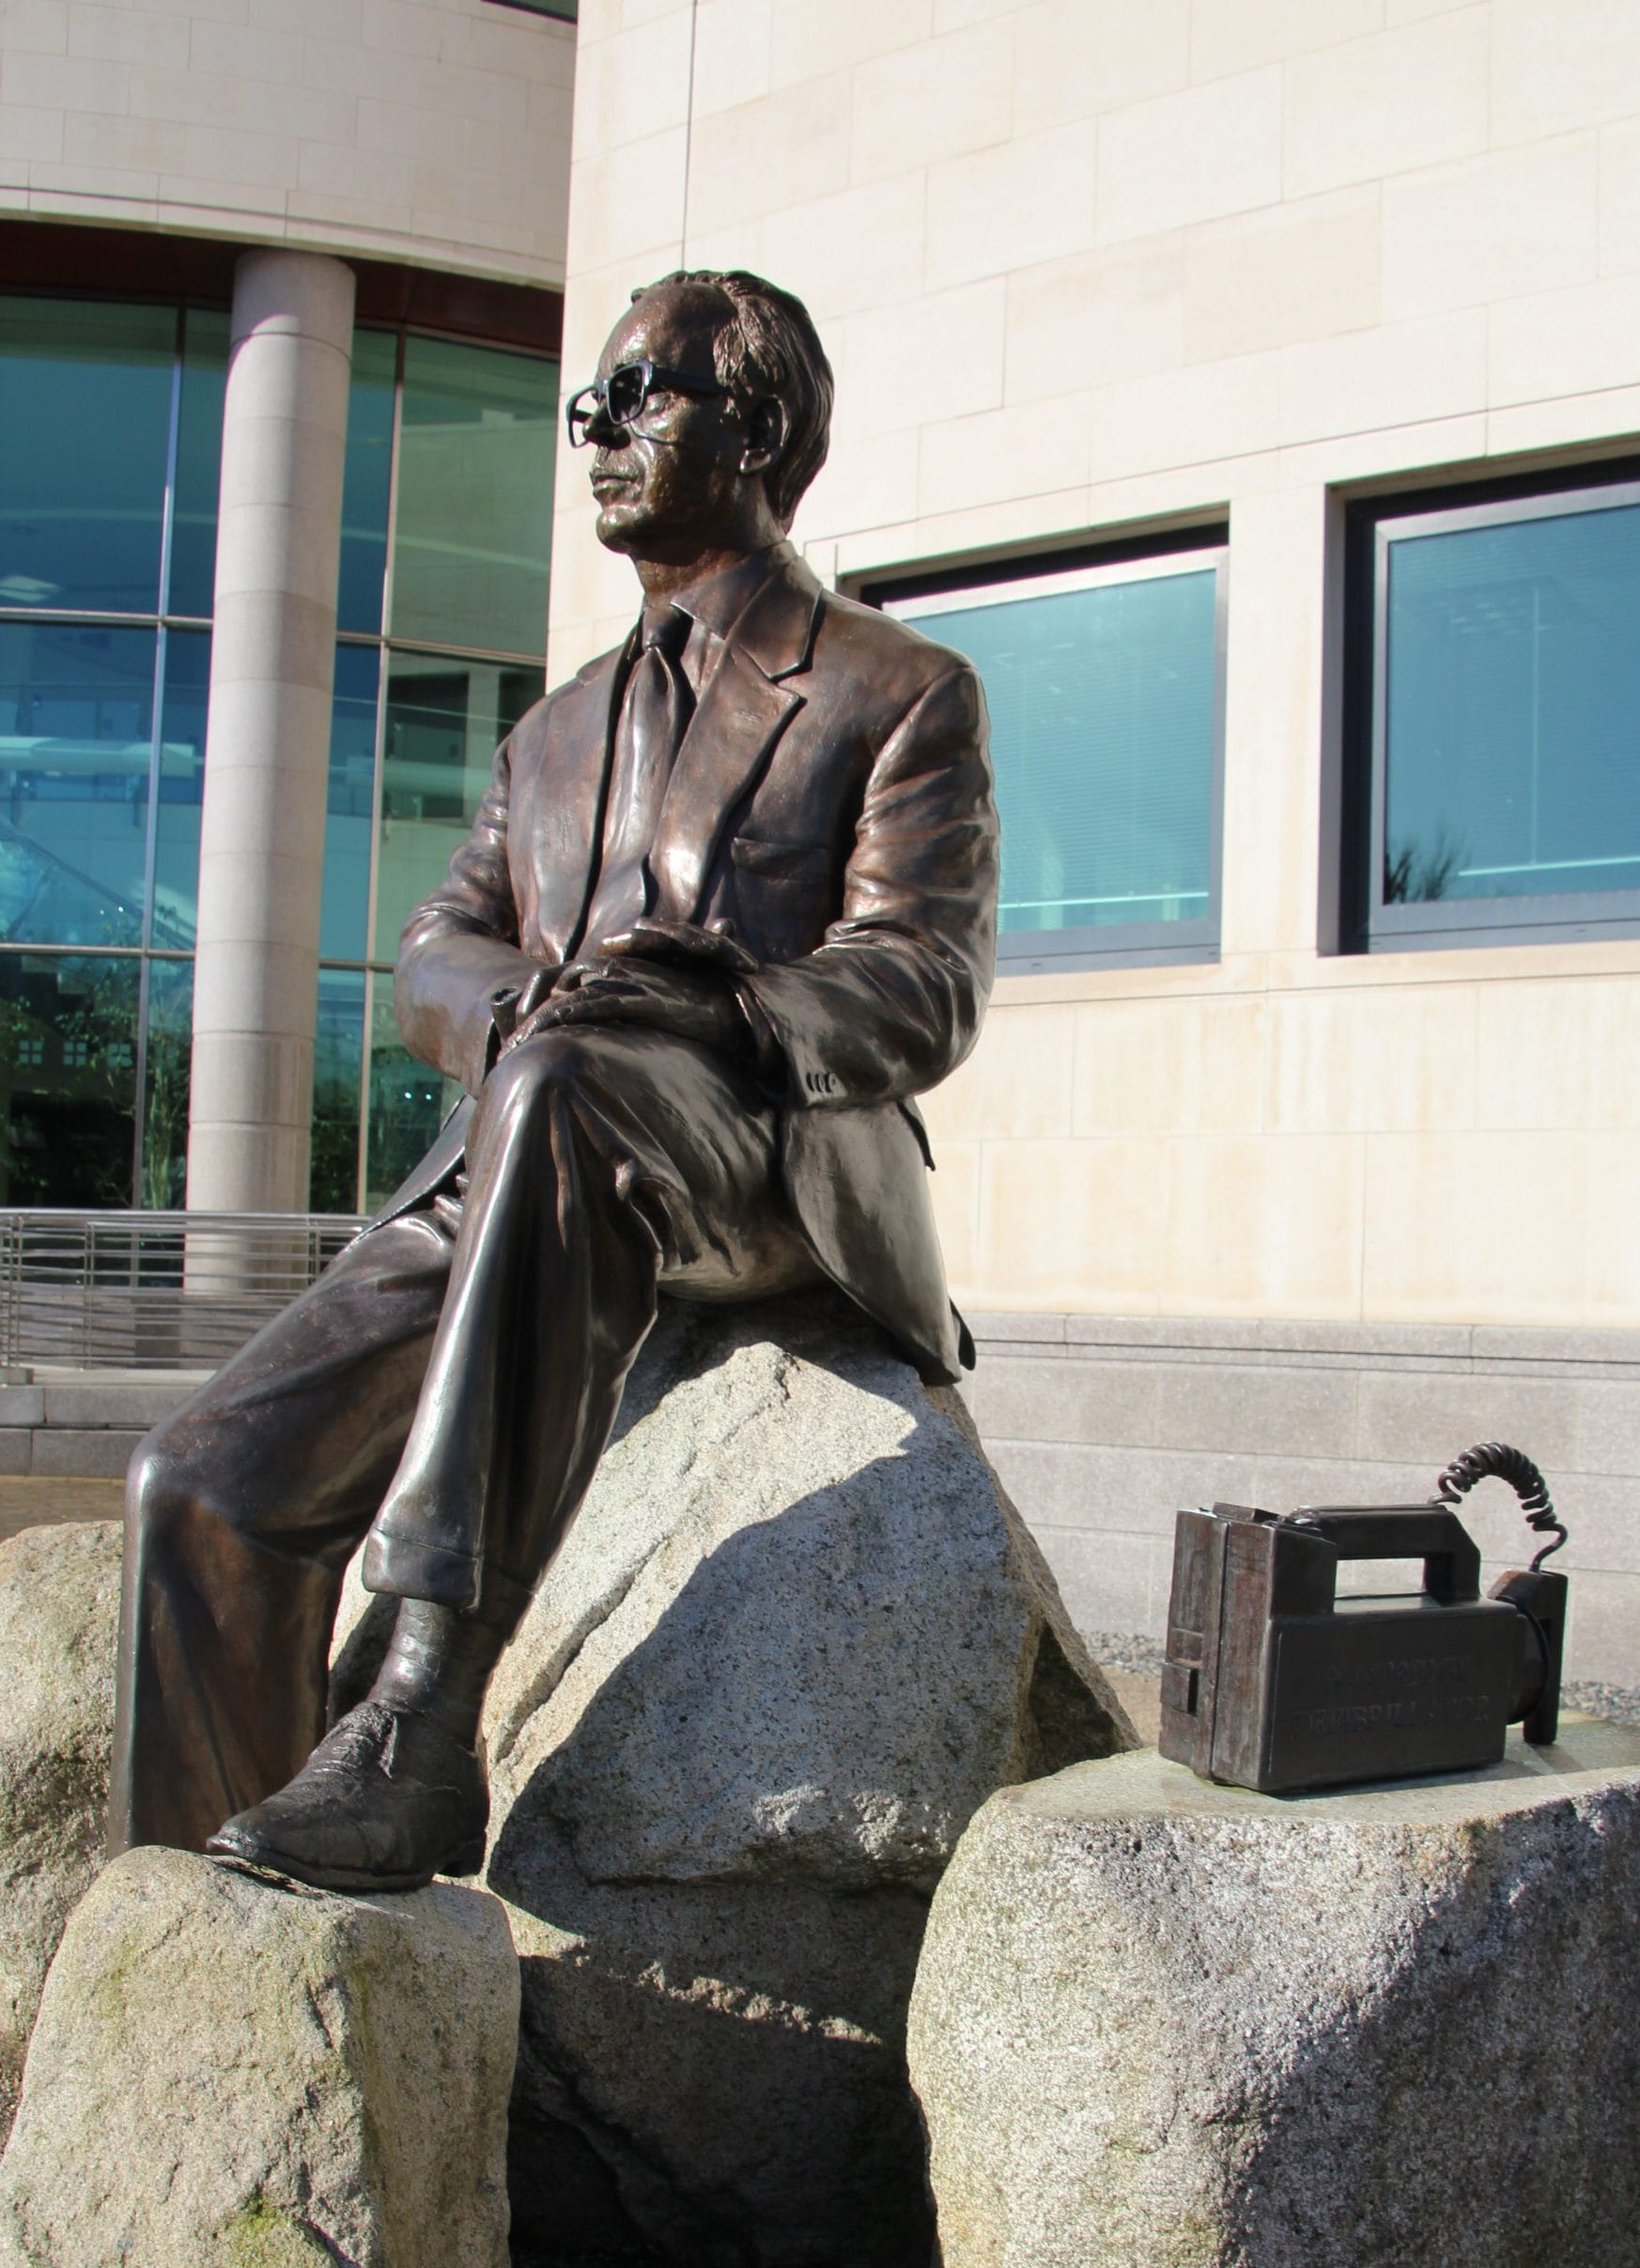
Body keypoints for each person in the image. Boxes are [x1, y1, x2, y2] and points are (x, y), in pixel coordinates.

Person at [109, 268, 998, 1894]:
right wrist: (526, 997)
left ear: (760, 428)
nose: (596, 427)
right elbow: (431, 952)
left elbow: (925, 977)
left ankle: (418, 1721)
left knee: (566, 1090)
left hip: (754, 1145)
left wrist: (722, 1000)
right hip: (533, 1137)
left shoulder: (894, 687)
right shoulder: (553, 733)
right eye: (590, 400)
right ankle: (200, 1927)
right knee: (202, 1486)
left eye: (641, 394)